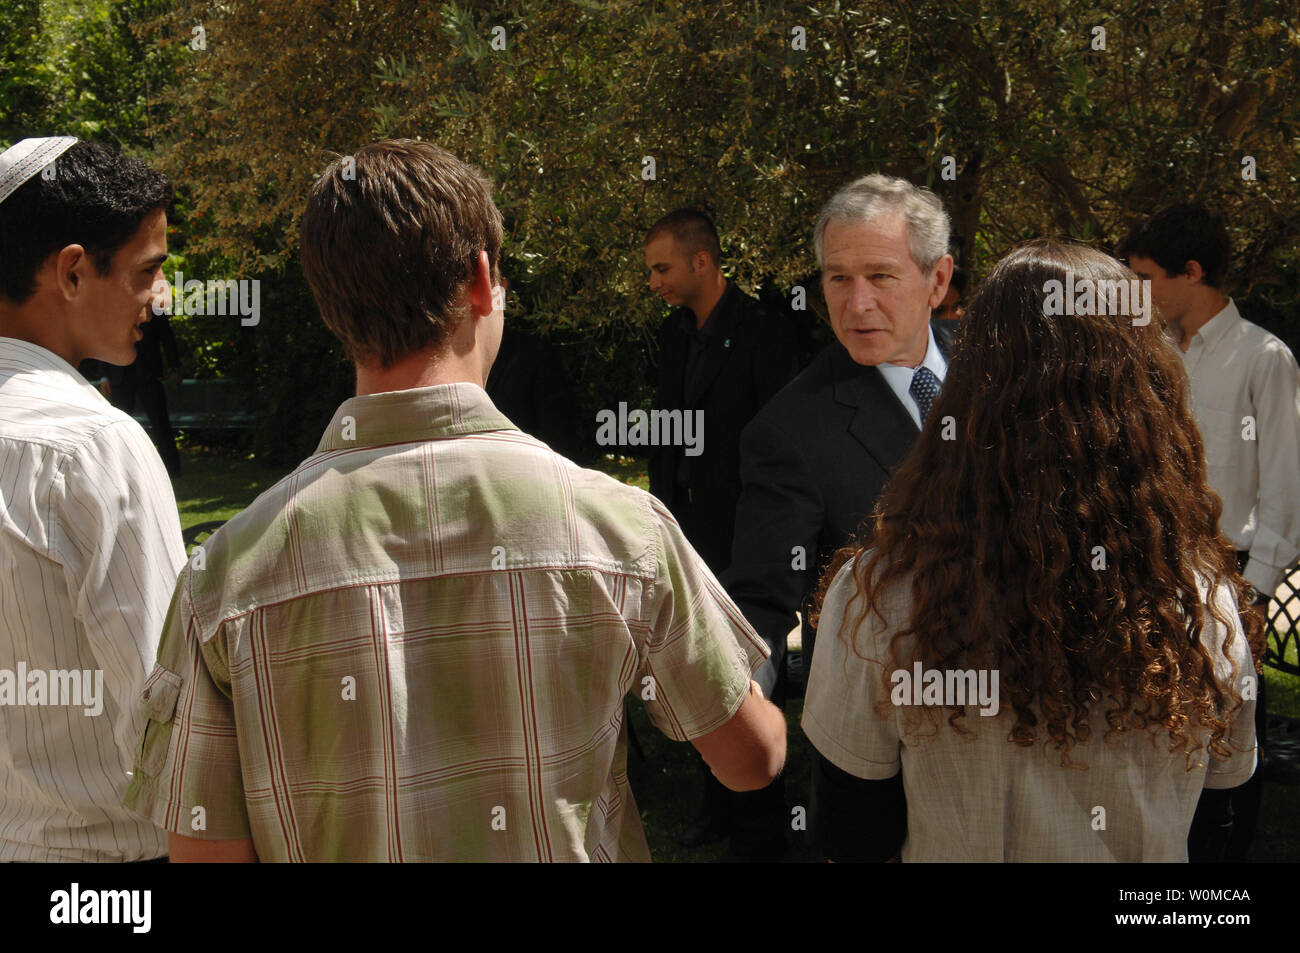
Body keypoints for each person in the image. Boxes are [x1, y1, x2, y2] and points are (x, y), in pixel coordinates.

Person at [123, 139, 786, 863]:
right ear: (481, 281)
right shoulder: (618, 529)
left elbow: (204, 851)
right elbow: (750, 759)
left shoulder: (224, 575)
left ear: (329, 308)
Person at [802, 240, 1262, 862]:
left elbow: (853, 832)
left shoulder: (880, 597)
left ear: (970, 387)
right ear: (1147, 394)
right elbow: (1218, 824)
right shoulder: (1202, 602)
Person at [0, 137, 184, 861]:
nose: (160, 295)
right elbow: (168, 714)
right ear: (73, 271)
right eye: (148, 270)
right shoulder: (92, 447)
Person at [723, 174, 957, 702]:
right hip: (885, 729)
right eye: (838, 279)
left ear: (937, 280)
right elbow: (761, 598)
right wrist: (739, 696)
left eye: (880, 276)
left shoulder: (1005, 368)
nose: (856, 304)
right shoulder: (789, 430)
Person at [1119, 203, 1300, 860]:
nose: (1135, 292)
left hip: (1235, 573)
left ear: (1191, 272)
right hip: (1151, 572)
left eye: (1144, 277)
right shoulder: (1147, 356)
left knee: (1229, 740)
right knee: (1162, 731)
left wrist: (1253, 592)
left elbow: (1287, 486)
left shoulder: (1265, 359)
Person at [643, 209, 801, 856]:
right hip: (689, 537)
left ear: (701, 261)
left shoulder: (767, 333)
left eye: (662, 267)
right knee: (702, 671)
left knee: (753, 673)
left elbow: (784, 446)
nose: (653, 280)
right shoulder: (672, 336)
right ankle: (715, 806)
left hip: (750, 540)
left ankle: (761, 827)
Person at [89, 309, 184, 477]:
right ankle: (118, 468)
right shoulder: (111, 304)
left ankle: (172, 469)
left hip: (148, 372)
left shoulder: (152, 306)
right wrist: (104, 375)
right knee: (117, 425)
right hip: (119, 375)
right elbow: (104, 339)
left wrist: (174, 366)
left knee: (160, 422)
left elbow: (166, 336)